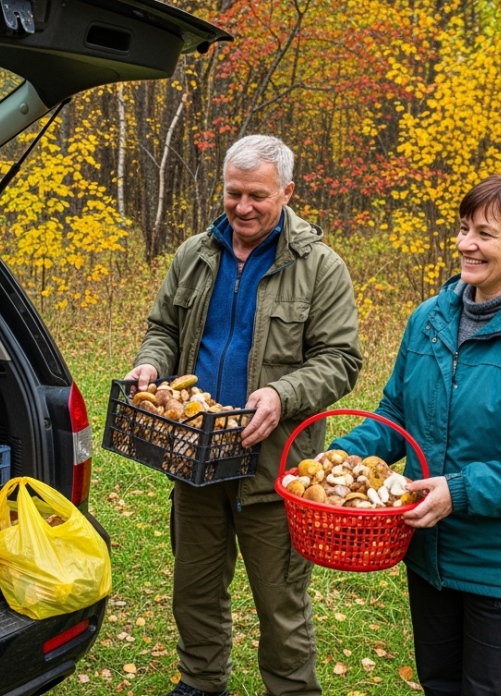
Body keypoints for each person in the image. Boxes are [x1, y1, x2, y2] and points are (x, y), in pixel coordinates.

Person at [329, 173, 501, 695]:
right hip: (432, 556)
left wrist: (458, 492)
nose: (465, 244)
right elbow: (398, 411)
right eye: (462, 229)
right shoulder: (431, 319)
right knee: (440, 685)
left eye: (485, 233)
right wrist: (341, 457)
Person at [126, 134, 362, 696]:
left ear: (286, 192)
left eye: (257, 195)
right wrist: (149, 366)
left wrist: (283, 392)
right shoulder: (194, 254)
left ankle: (290, 690)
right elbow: (163, 330)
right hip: (196, 452)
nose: (243, 207)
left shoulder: (320, 267)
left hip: (272, 465)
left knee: (281, 604)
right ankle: (202, 683)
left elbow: (341, 359)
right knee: (195, 590)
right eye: (234, 193)